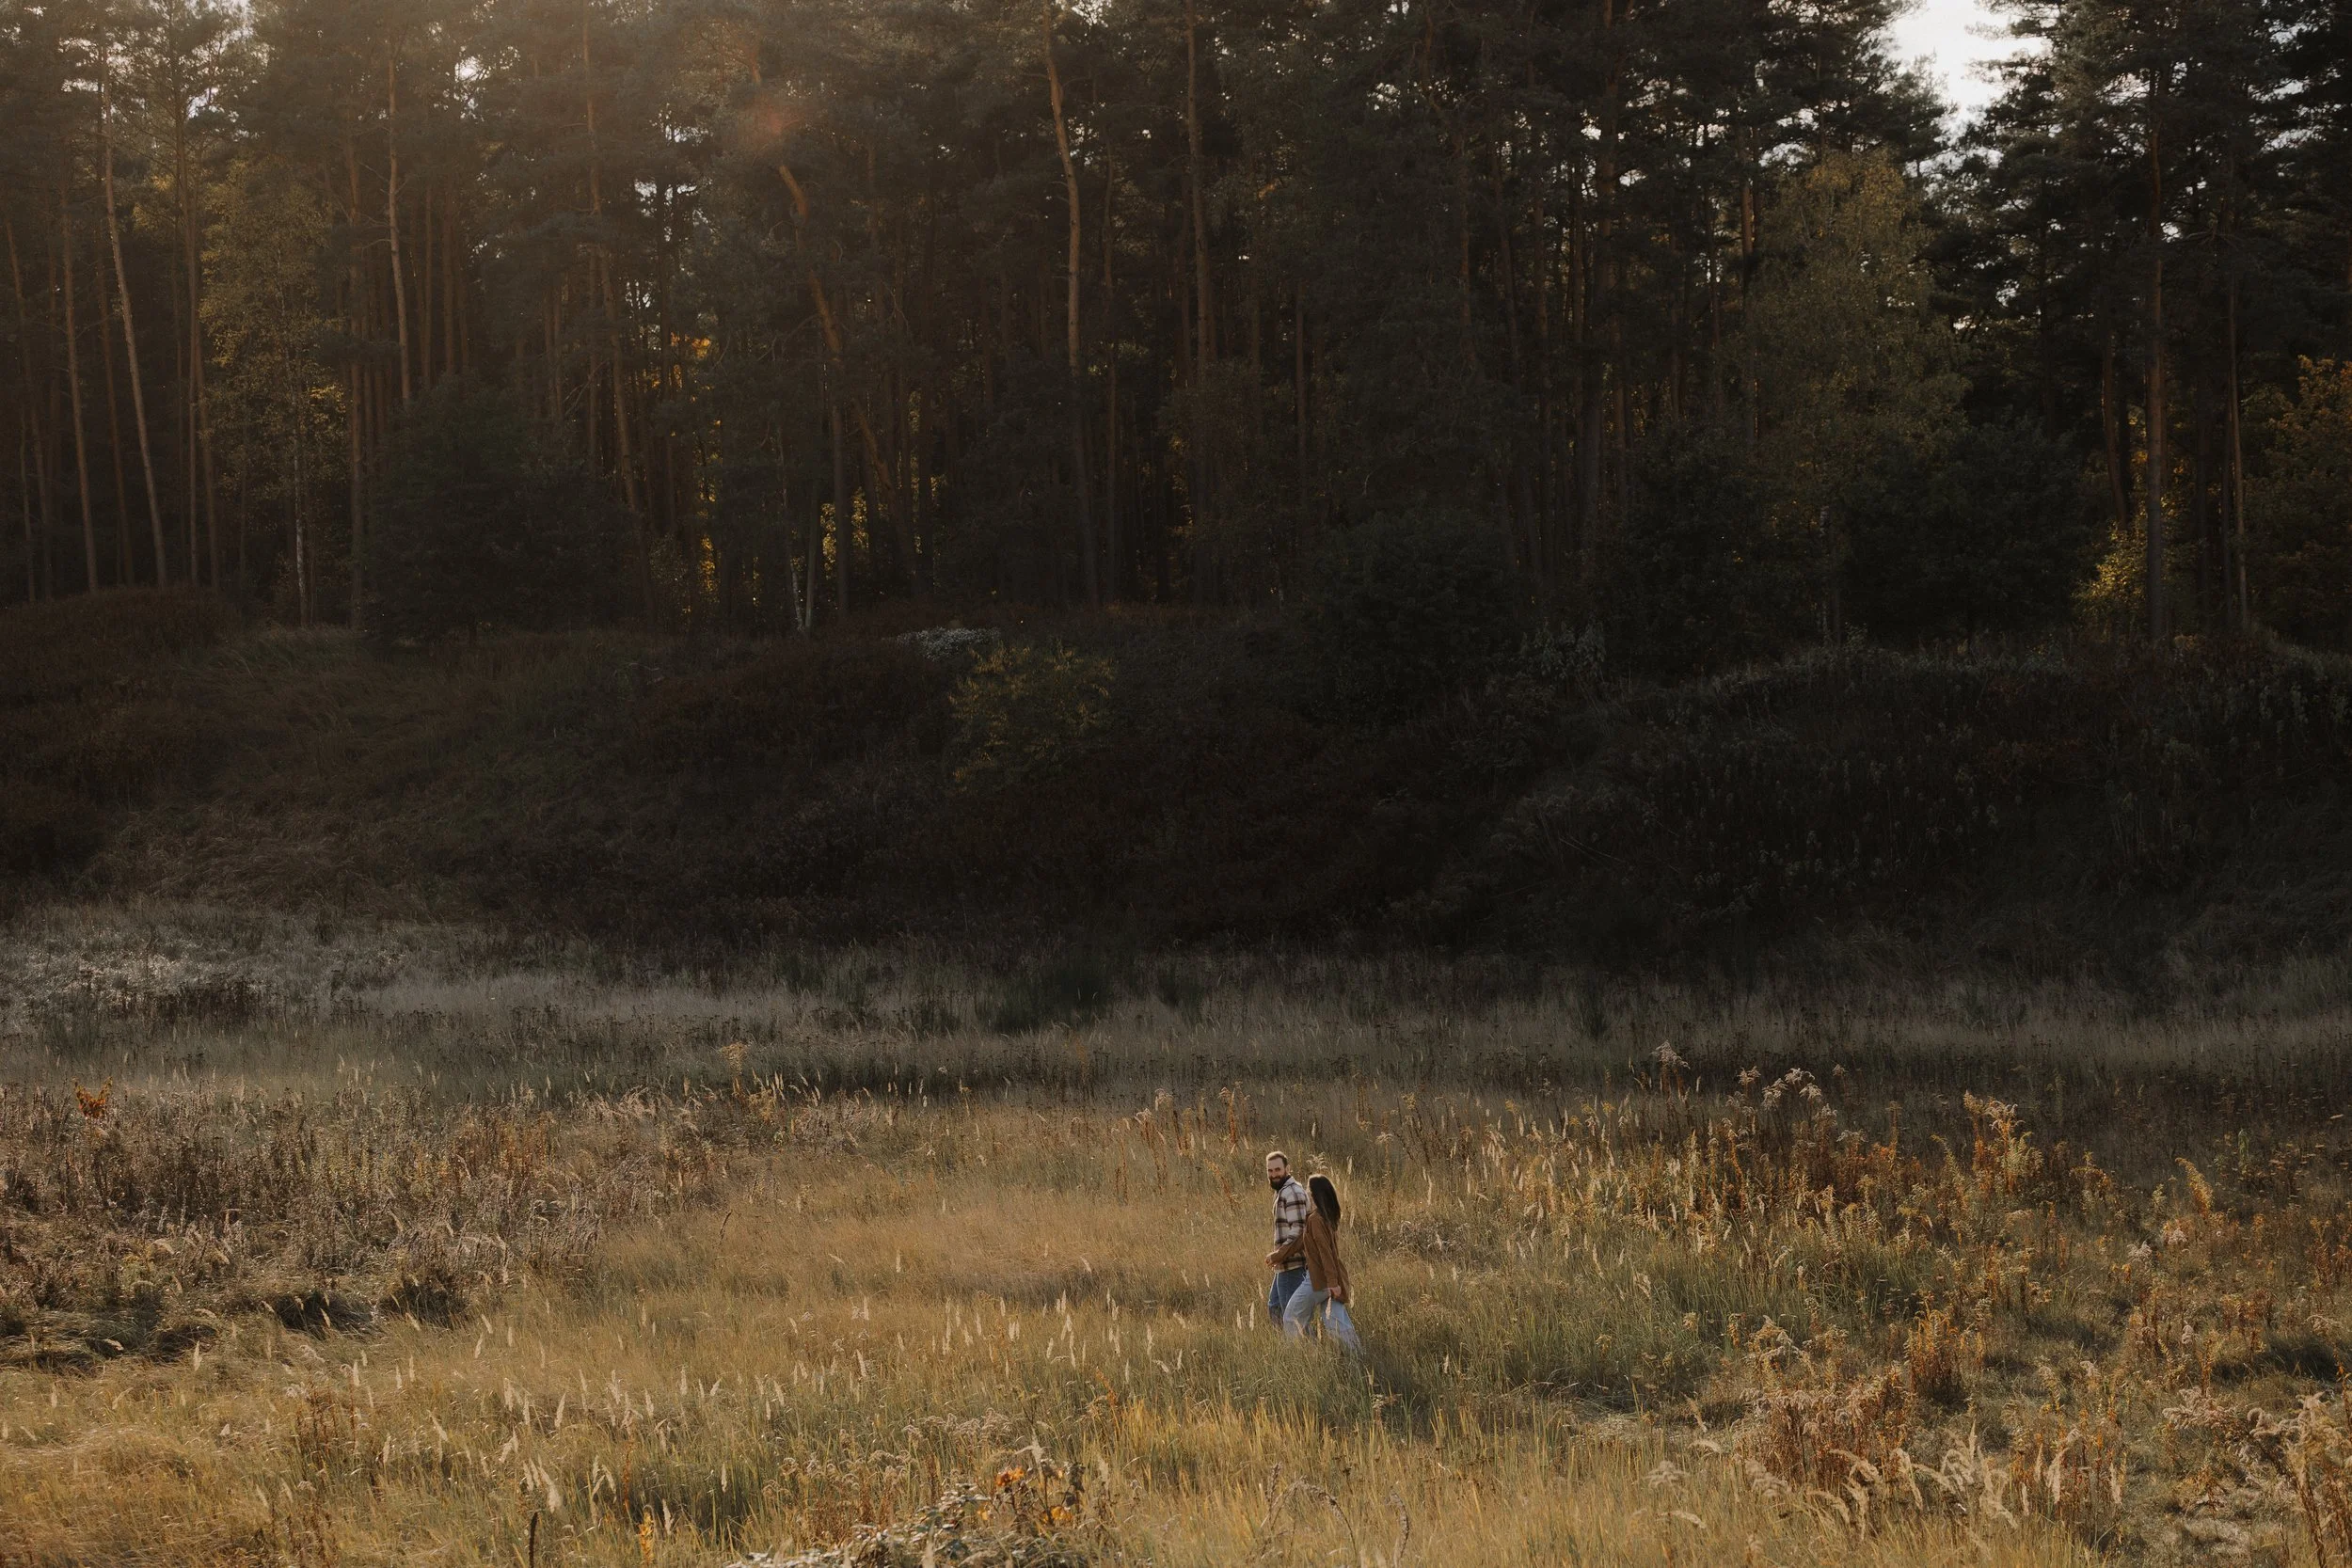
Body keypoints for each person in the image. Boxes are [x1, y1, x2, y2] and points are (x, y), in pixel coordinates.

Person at [1279, 1173, 1361, 1350]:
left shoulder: (1316, 1220)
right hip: (1331, 1279)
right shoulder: (1324, 1218)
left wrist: (1332, 1283)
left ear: (1314, 1194)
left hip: (1318, 1280)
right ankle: (1357, 1355)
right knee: (1336, 1322)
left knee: (1291, 1317)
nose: (1307, 1194)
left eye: (1309, 1191)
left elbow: (1325, 1253)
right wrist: (1278, 1256)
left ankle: (1299, 1355)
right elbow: (1301, 1241)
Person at [1263, 1150, 1311, 1323]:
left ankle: (1305, 1348)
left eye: (1278, 1170)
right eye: (1270, 1171)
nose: (1274, 1174)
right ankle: (1286, 1347)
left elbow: (1299, 1232)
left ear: (1287, 1169)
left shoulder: (1292, 1192)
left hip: (1293, 1264)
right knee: (1275, 1307)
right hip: (1284, 1264)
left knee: (1292, 1318)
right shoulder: (1282, 1191)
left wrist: (1278, 1255)